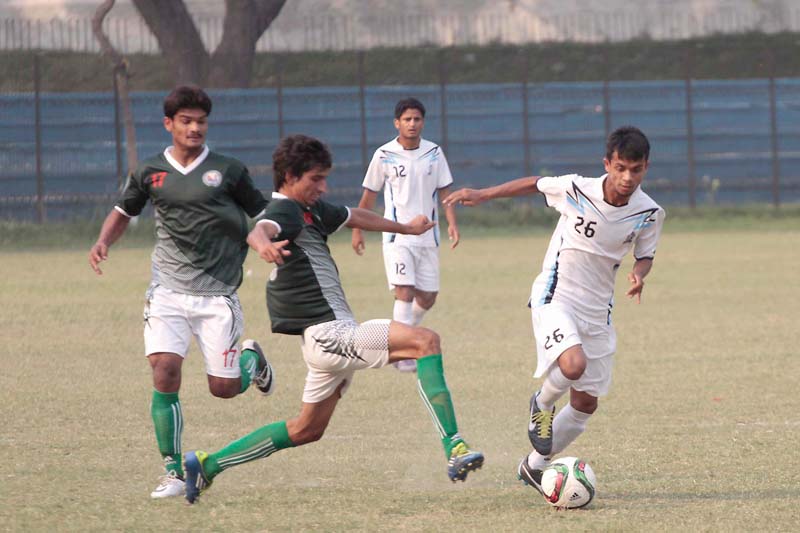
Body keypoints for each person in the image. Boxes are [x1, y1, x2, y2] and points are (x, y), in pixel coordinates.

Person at [182, 134, 484, 504]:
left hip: (323, 341)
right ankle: (454, 446)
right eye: (316, 179)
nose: (323, 187)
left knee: (306, 429)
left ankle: (207, 465)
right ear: (290, 177)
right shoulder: (285, 211)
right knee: (426, 342)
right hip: (332, 335)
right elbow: (260, 229)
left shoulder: (311, 210)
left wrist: (405, 228)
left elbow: (353, 214)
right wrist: (262, 246)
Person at [443, 126, 665, 495]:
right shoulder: (578, 189)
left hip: (598, 310)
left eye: (636, 169)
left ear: (646, 167)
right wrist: (483, 194)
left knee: (584, 403)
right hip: (556, 294)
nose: (628, 178)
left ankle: (534, 467)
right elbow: (534, 183)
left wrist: (639, 275)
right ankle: (542, 403)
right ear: (607, 163)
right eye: (621, 167)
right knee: (571, 365)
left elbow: (645, 255)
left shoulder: (650, 212)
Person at [88, 86, 275, 499]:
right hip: (168, 290)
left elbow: (261, 215)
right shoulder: (150, 171)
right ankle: (173, 471)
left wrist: (263, 241)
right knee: (164, 369)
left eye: (201, 121)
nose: (195, 128)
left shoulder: (229, 170)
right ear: (169, 124)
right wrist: (104, 241)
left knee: (222, 389)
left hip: (217, 295)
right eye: (186, 121)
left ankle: (253, 362)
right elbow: (123, 212)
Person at [351, 97, 459, 372]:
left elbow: (445, 191)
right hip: (396, 238)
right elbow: (369, 196)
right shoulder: (384, 154)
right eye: (407, 119)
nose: (412, 124)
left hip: (428, 238)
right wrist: (357, 230)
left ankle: (395, 335)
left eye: (417, 119)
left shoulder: (434, 153)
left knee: (428, 297)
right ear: (397, 123)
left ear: (423, 122)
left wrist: (452, 223)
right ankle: (402, 354)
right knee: (404, 292)